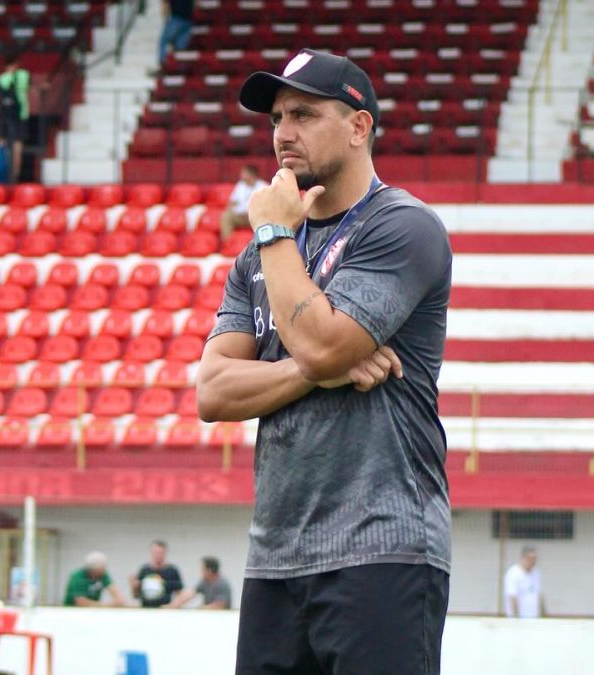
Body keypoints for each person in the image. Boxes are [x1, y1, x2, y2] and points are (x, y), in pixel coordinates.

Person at [198, 48, 452, 674]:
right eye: (276, 118)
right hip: (275, 558)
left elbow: (320, 345)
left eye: (304, 114)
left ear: (359, 126)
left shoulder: (403, 226)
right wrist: (314, 371)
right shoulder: (258, 256)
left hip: (382, 550)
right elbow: (214, 392)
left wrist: (273, 234)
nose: (283, 134)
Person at [0, 50, 30, 183]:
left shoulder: (2, 78)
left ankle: (13, 174)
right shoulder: (24, 75)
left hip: (13, 115)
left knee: (13, 145)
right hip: (16, 114)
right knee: (14, 144)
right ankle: (13, 174)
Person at [129, 540, 183, 608]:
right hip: (146, 608)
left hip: (164, 609)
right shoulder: (144, 570)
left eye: (160, 552)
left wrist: (173, 606)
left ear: (165, 553)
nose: (157, 555)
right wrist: (133, 586)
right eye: (155, 552)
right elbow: (136, 596)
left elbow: (179, 594)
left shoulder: (172, 570)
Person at [221, 164, 268, 240]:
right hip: (240, 215)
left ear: (251, 174)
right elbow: (232, 202)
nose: (241, 175)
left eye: (244, 173)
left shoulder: (263, 186)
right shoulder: (240, 185)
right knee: (226, 216)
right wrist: (229, 210)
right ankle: (228, 242)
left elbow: (266, 206)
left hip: (255, 216)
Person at [63, 551, 128, 607]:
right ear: (94, 569)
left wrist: (120, 601)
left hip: (92, 610)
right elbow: (81, 602)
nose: (105, 569)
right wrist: (108, 605)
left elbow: (115, 591)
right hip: (72, 611)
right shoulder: (77, 577)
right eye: (103, 567)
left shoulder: (102, 575)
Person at [166, 556, 232, 609]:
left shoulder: (222, 584)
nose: (200, 572)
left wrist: (201, 608)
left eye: (202, 569)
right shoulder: (204, 582)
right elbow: (190, 594)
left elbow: (220, 605)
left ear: (209, 571)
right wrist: (173, 605)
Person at [504, 546, 544, 618]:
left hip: (534, 618)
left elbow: (538, 595)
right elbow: (512, 597)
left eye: (534, 559)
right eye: (530, 558)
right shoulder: (513, 573)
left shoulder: (536, 573)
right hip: (519, 619)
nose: (533, 561)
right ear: (522, 558)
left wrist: (543, 615)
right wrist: (516, 618)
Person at [158, 0, 194, 67]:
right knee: (181, 47)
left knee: (164, 41)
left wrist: (166, 21)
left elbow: (165, 5)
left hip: (176, 20)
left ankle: (162, 62)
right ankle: (180, 67)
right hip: (188, 21)